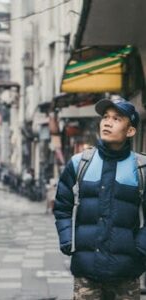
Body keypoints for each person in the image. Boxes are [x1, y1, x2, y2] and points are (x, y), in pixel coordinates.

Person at [53, 97, 146, 299]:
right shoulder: (80, 163)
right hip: (87, 271)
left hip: (126, 273)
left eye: (116, 118)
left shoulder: (141, 168)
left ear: (130, 131)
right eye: (105, 117)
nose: (107, 122)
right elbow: (62, 206)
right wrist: (68, 238)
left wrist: (139, 248)